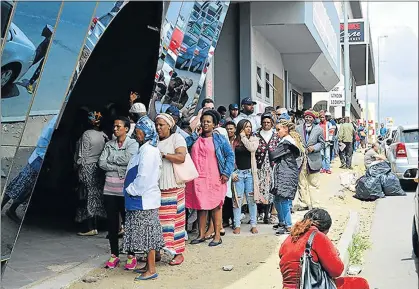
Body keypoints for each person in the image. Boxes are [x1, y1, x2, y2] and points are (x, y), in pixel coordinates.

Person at [279, 208, 370, 289]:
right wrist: (335, 254)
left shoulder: (289, 238)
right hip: (311, 285)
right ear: (325, 229)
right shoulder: (318, 237)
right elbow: (337, 271)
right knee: (360, 283)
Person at [123, 116, 164, 281]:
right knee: (148, 234)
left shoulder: (148, 151)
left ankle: (151, 269)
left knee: (147, 235)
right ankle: (148, 266)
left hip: (143, 199)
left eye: (139, 132)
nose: (137, 135)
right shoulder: (147, 148)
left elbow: (144, 176)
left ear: (146, 132)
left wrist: (132, 190)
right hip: (143, 198)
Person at [185, 110, 235, 246]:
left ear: (214, 125)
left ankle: (217, 236)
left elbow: (230, 156)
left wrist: (226, 172)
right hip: (198, 178)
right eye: (203, 121)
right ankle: (201, 235)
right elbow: (184, 146)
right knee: (200, 206)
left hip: (215, 177)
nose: (205, 124)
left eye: (208, 122)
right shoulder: (195, 138)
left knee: (215, 206)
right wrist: (194, 133)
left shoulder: (219, 139)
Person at [99, 116, 139, 269]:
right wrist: (118, 166)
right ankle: (114, 254)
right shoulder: (109, 144)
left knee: (128, 223)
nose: (115, 129)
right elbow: (101, 163)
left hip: (125, 191)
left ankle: (131, 254)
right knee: (112, 224)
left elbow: (130, 160)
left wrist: (112, 161)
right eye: (114, 126)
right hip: (109, 190)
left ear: (126, 129)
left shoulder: (133, 144)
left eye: (118, 126)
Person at [2, 115, 59, 223]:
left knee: (28, 189)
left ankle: (11, 210)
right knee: (20, 184)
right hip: (38, 160)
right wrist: (44, 158)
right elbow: (42, 141)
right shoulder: (55, 122)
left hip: (44, 161)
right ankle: (3, 207)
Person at [155, 113, 187, 265]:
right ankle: (156, 252)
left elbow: (181, 157)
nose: (158, 128)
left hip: (174, 186)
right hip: (157, 187)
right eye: (157, 125)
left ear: (169, 125)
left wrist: (164, 155)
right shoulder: (154, 140)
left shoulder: (177, 138)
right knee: (157, 222)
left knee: (175, 222)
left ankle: (178, 253)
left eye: (161, 125)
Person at [73, 112, 107, 236]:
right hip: (99, 168)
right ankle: (97, 225)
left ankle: (89, 227)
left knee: (86, 196)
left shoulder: (87, 134)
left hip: (87, 167)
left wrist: (78, 168)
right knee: (96, 196)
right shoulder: (104, 135)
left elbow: (82, 154)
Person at [270, 119, 304, 235]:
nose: (277, 132)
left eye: (278, 129)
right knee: (277, 199)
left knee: (283, 199)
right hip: (284, 173)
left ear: (286, 129)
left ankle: (288, 225)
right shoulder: (287, 141)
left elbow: (273, 155)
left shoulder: (286, 143)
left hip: (286, 174)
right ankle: (282, 222)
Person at [231, 119, 260, 234]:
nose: (248, 129)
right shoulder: (234, 141)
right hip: (238, 173)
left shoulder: (254, 139)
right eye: (245, 127)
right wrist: (232, 173)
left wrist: (243, 137)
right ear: (240, 128)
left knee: (251, 200)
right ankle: (237, 224)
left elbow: (252, 149)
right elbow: (231, 157)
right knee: (237, 200)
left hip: (249, 173)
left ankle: (253, 224)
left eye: (249, 126)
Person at [295, 110, 325, 211]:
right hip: (301, 160)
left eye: (310, 117)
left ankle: (315, 204)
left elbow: (322, 144)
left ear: (313, 118)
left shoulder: (319, 129)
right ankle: (303, 204)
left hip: (313, 160)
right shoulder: (298, 128)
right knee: (302, 183)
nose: (308, 119)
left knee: (314, 183)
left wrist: (314, 147)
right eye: (306, 117)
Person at [255, 113, 278, 224]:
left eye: (268, 122)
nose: (266, 124)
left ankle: (268, 214)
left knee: (270, 190)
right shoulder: (256, 135)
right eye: (264, 122)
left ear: (272, 123)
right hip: (259, 167)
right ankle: (261, 212)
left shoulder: (276, 135)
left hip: (272, 167)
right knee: (259, 189)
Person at [222, 121, 237, 228]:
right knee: (226, 198)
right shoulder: (223, 141)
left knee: (235, 198)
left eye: (231, 129)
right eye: (227, 129)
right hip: (226, 171)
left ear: (235, 129)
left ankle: (235, 220)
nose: (229, 131)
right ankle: (226, 219)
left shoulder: (238, 141)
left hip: (236, 171)